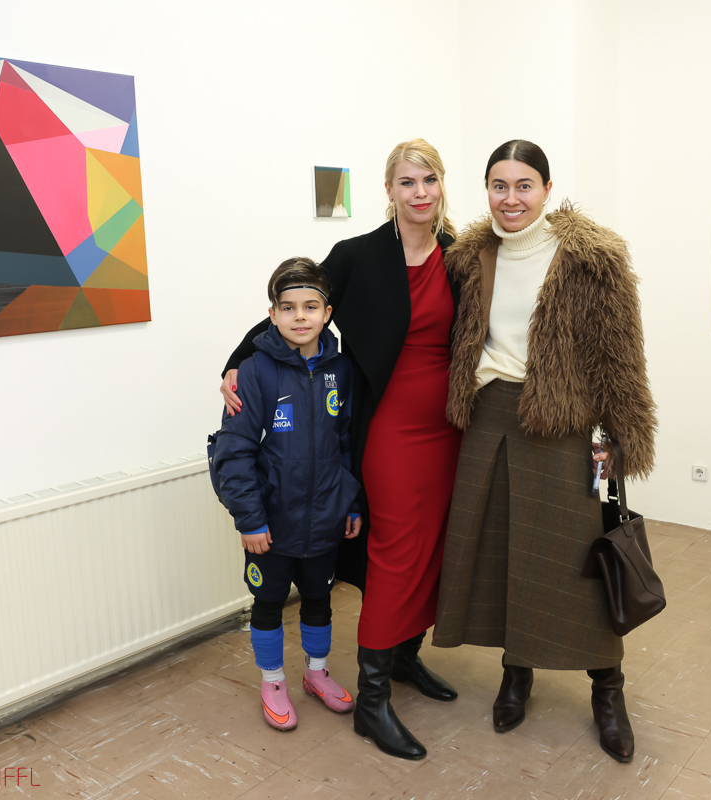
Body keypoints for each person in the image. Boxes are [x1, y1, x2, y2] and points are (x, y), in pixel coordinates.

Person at [219, 140, 463, 760]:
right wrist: (236, 361)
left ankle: (405, 656)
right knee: (395, 553)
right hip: (390, 427)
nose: (419, 192)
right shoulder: (360, 254)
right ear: (389, 190)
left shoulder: (458, 254)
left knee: (433, 546)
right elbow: (298, 308)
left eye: (429, 180)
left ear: (441, 185)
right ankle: (373, 700)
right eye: (406, 181)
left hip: (447, 430)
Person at [432, 140, 657, 764]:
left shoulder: (591, 258)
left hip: (566, 426)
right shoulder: (468, 256)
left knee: (579, 561)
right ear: (487, 191)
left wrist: (617, 449)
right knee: (506, 553)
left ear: (547, 189)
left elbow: (620, 360)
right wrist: (243, 358)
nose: (511, 199)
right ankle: (517, 673)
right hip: (490, 420)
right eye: (499, 186)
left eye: (524, 185)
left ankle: (607, 689)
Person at [210, 257, 362, 732]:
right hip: (271, 525)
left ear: (328, 313)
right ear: (272, 314)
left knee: (319, 598)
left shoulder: (342, 369)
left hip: (326, 520)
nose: (300, 317)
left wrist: (350, 502)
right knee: (269, 603)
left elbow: (347, 445)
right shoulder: (254, 372)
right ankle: (272, 681)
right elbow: (234, 452)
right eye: (288, 307)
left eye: (311, 307)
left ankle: (317, 674)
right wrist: (250, 519)